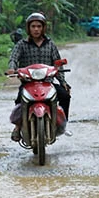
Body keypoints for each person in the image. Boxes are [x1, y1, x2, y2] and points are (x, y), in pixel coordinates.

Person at [6, 12, 71, 140]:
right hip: (28, 83)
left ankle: (63, 124)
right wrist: (12, 68)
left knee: (65, 95)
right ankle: (18, 127)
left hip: (47, 82)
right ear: (28, 28)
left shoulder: (50, 44)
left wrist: (62, 82)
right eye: (33, 26)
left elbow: (57, 63)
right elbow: (13, 58)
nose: (36, 29)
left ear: (43, 28)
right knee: (19, 100)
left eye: (39, 26)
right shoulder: (21, 44)